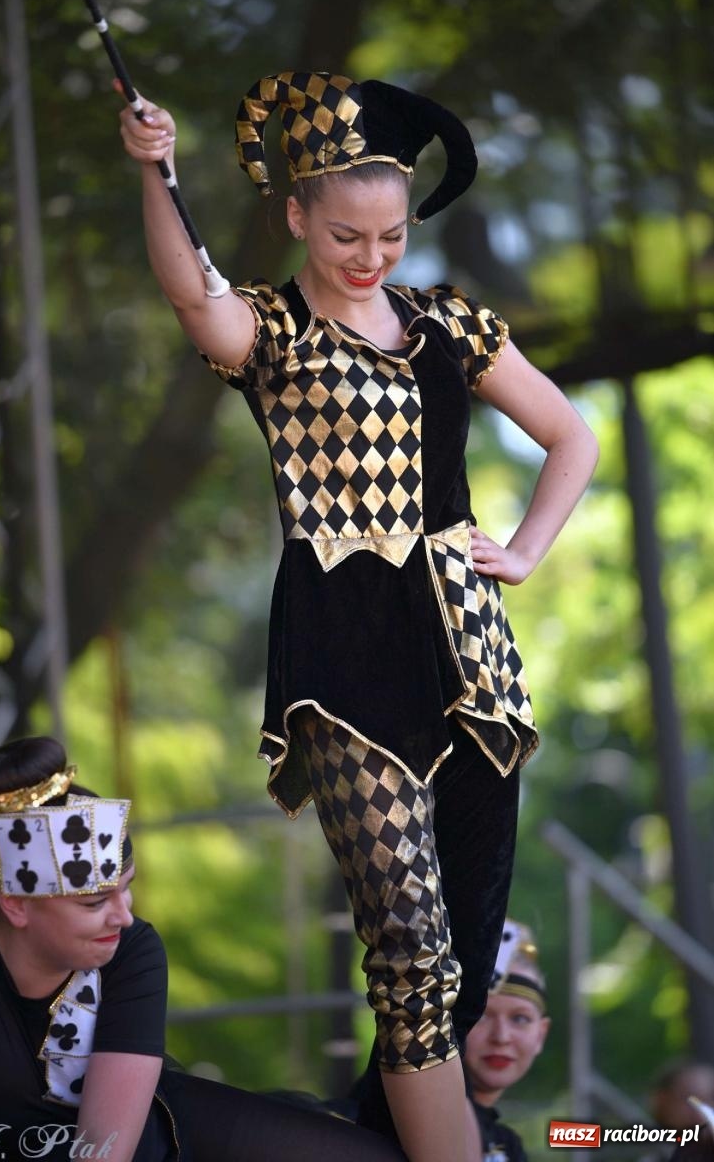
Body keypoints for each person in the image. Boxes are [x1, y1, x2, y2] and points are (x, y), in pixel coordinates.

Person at [118, 69, 599, 1162]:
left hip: (471, 658)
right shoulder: (274, 331)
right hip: (342, 663)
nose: (372, 256)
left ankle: (391, 1137)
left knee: (467, 956)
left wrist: (524, 552)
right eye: (346, 235)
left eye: (392, 235)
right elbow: (193, 297)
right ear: (296, 216)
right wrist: (158, 171)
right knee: (411, 955)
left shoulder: (450, 323)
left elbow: (571, 435)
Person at [0, 736, 410, 1162]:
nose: (124, 916)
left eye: (126, 889)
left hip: (154, 1133)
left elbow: (105, 1149)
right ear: (16, 906)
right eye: (95, 902)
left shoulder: (131, 948)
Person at [464, 920, 551, 1162]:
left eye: (520, 1019)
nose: (501, 1037)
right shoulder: (404, 1118)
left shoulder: (508, 1145)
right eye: (482, 1016)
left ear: (541, 1034)